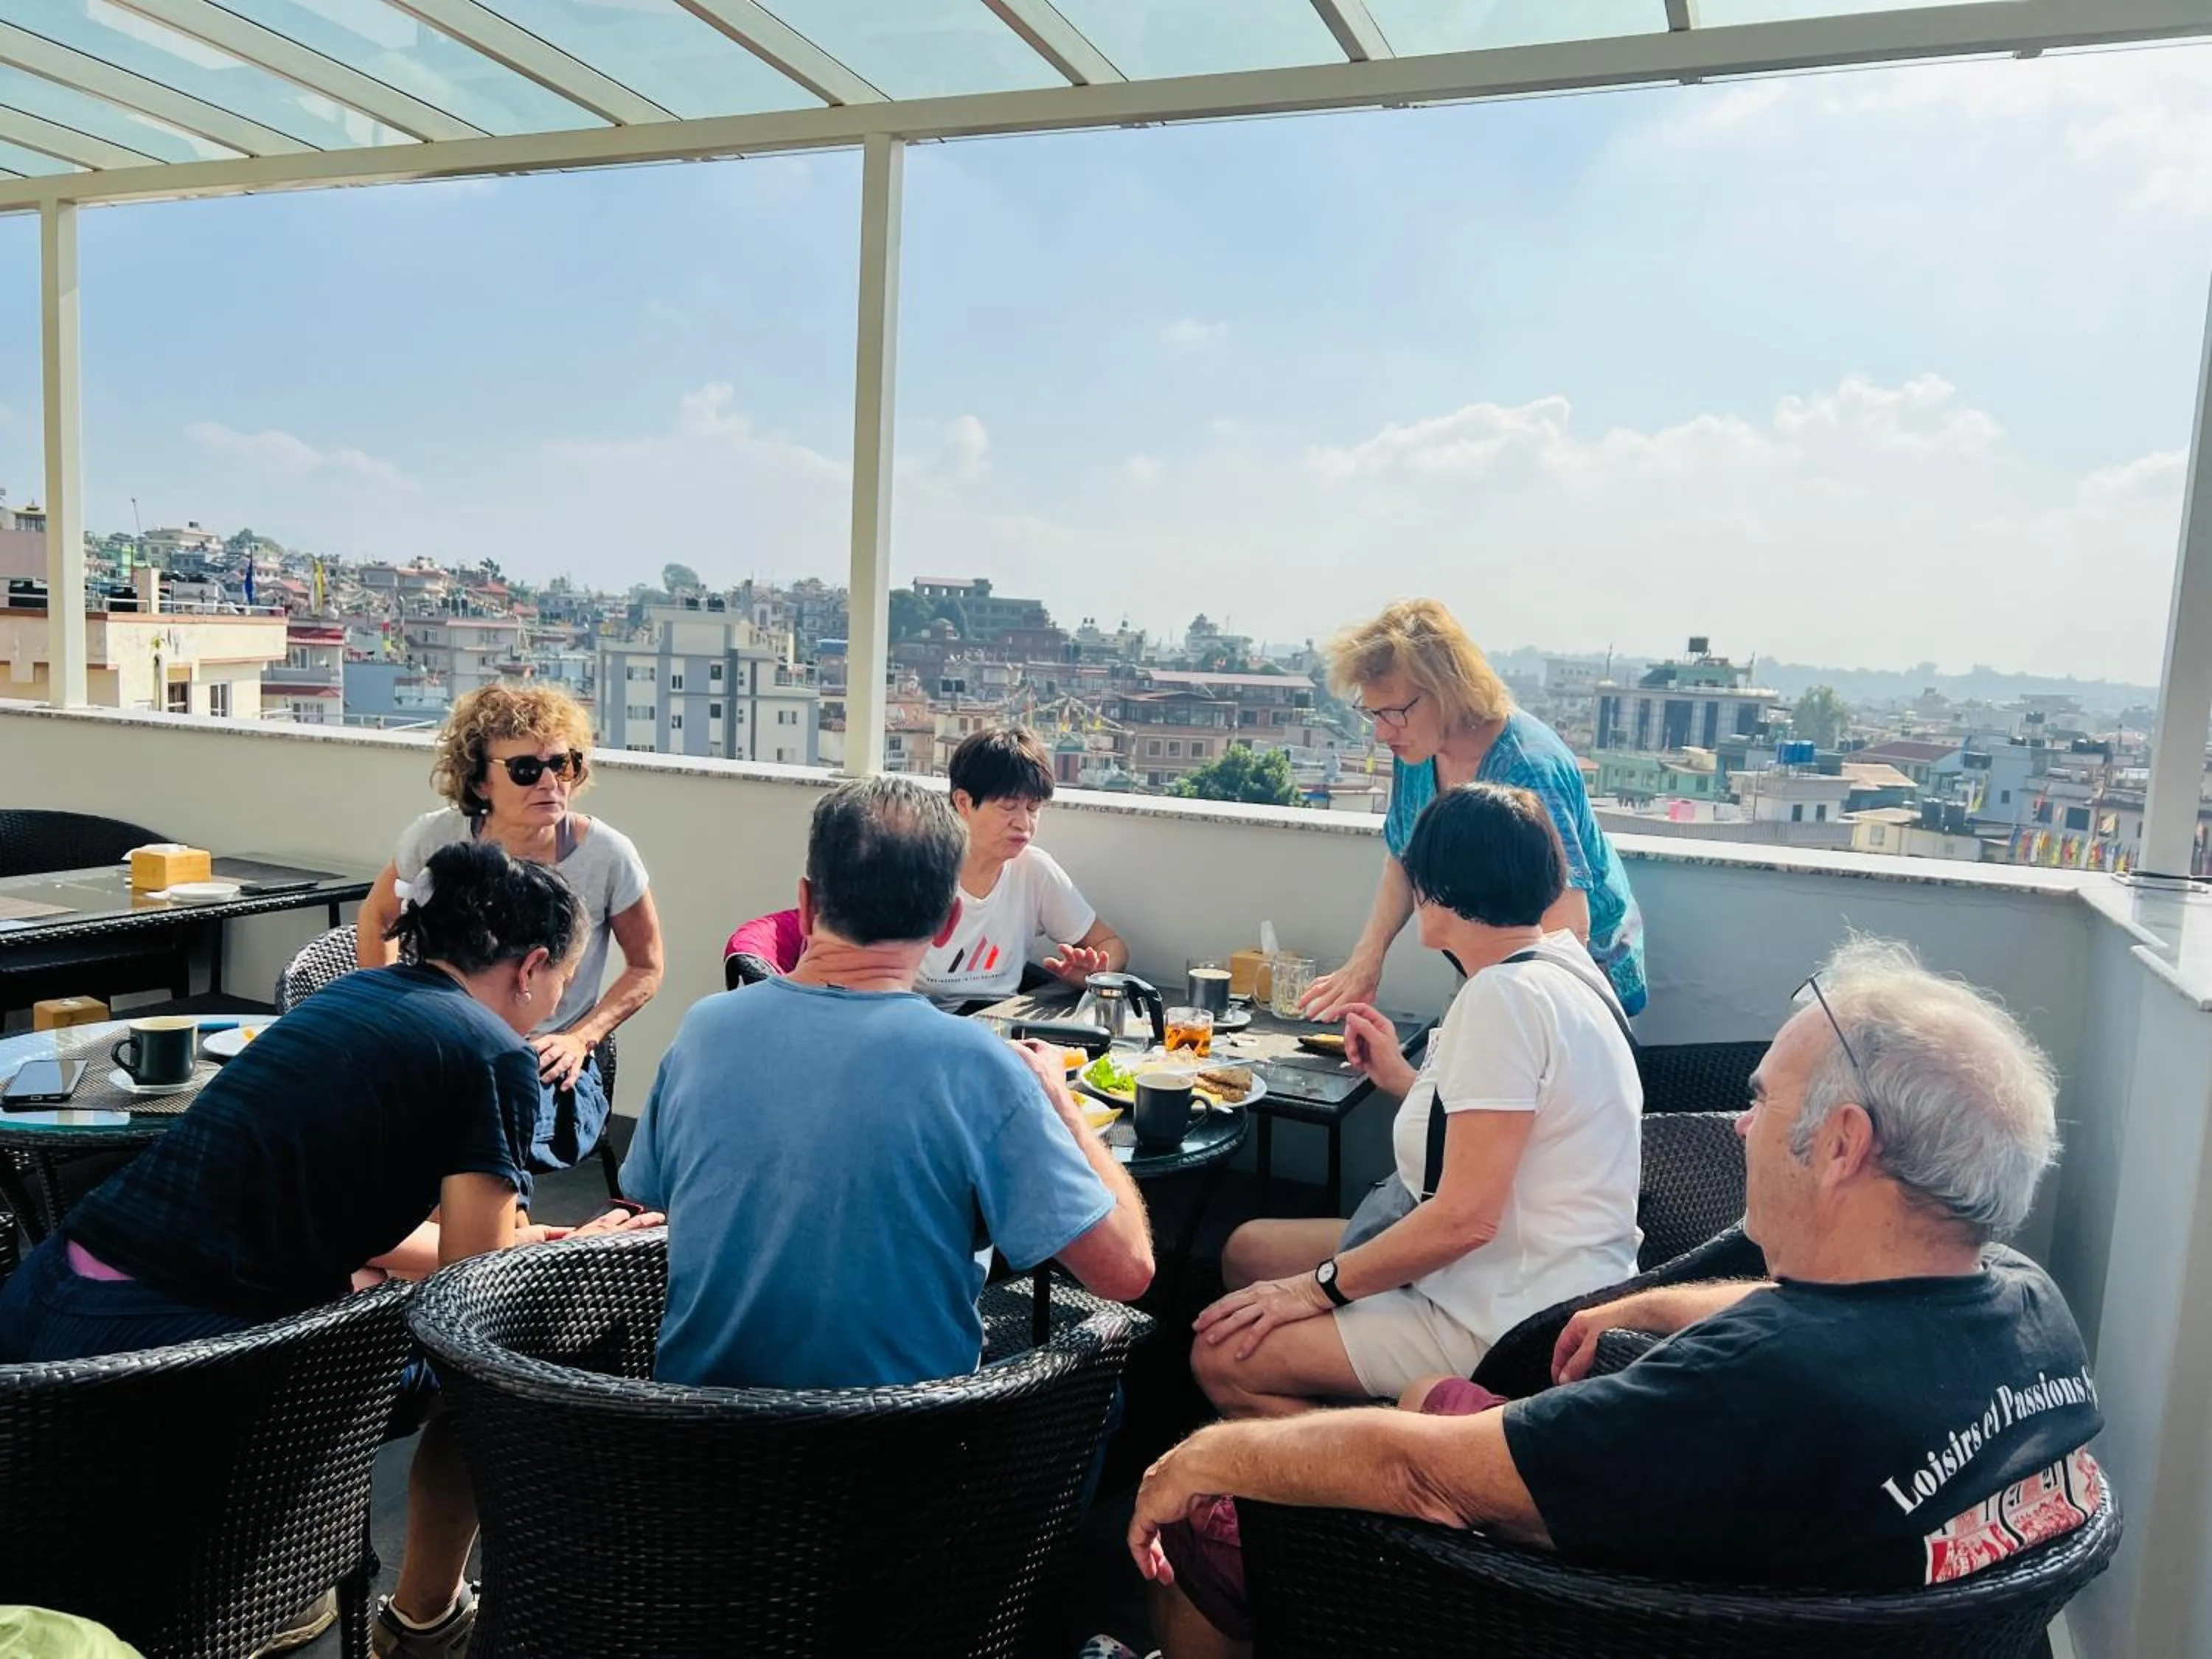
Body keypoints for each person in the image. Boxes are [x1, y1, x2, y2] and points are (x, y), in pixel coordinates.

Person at [1120, 939, 2103, 1659]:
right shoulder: (2028, 1308)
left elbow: (1423, 1479)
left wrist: (1207, 1454)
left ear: (1844, 1144)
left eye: (1761, 1099)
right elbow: (1836, 1322)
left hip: (1570, 1613)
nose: (1739, 1126)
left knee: (1222, 1519)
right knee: (1428, 1397)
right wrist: (1647, 1308)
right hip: (1788, 1593)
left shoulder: (1742, 1390)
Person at [0, 843, 663, 1659]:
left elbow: (362, 1218)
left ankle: (285, 1575)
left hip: (44, 1316)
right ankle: (422, 1619)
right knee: (511, 1364)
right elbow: (476, 1287)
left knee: (368, 1276)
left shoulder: (350, 998)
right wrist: (581, 1252)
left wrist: (521, 1240)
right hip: (169, 1361)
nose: (560, 1001)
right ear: (531, 967)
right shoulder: (491, 1052)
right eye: (563, 978)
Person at [622, 774, 1153, 1390]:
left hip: (692, 1428)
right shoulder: (980, 1068)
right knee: (1109, 1399)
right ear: (950, 921)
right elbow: (1126, 1272)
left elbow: (653, 1203)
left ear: (805, 904)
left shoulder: (703, 1030)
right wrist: (1062, 1107)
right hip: (898, 1438)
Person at [1189, 783, 1641, 1417]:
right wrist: (1402, 1077)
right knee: (1250, 1254)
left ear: (1442, 891)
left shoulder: (1503, 999)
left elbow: (1465, 1220)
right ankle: (1357, 1408)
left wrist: (1314, 1292)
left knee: (1221, 1355)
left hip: (1505, 1315)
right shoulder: (1563, 968)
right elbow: (1509, 1124)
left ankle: (1387, 1462)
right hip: (1549, 1282)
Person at [356, 684, 663, 1178]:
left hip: (545, 1055)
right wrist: (386, 1011)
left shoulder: (607, 855)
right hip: (444, 1037)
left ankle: (464, 1225)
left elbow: (647, 967)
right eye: (526, 769)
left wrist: (580, 1039)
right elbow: (379, 917)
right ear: (481, 783)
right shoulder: (437, 838)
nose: (550, 782)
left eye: (563, 764)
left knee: (465, 1129)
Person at [1299, 599, 1646, 1020]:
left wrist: (1499, 1012)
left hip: (1574, 975)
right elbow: (1405, 857)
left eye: (1394, 713)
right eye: (1374, 714)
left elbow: (1568, 926)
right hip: (1489, 954)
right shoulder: (1418, 748)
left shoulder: (1529, 767)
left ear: (1448, 690)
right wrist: (1365, 964)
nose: (1382, 733)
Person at [911, 726, 1128, 1008]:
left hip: (1006, 1023)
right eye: (1008, 806)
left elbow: (1112, 945)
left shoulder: (1033, 870)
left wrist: (1096, 974)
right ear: (963, 803)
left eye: (1033, 808)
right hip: (928, 1023)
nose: (1024, 823)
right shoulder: (917, 873)